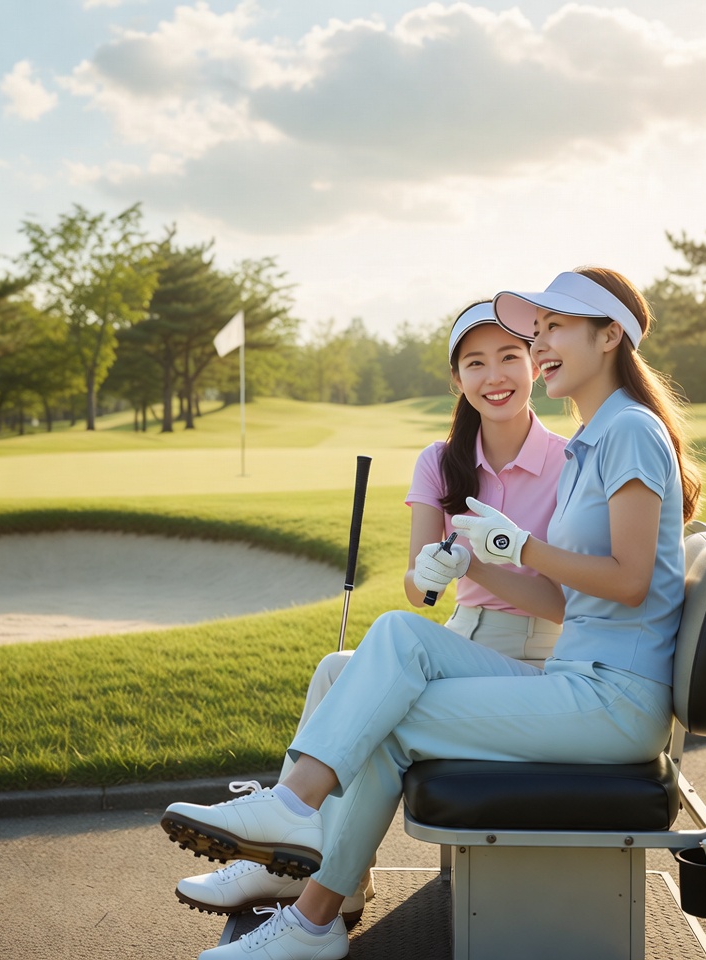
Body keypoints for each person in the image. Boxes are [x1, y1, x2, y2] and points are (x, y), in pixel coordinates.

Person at [162, 266, 702, 960]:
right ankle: (296, 831)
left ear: (609, 336)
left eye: (553, 329)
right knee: (397, 634)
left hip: (612, 699)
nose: (540, 346)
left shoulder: (626, 431)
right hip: (581, 677)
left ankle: (309, 899)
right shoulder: (604, 434)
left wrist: (523, 545)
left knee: (390, 722)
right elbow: (568, 600)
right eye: (537, 332)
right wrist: (485, 560)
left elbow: (630, 582)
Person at [172, 302, 568, 924]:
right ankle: (286, 856)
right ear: (457, 379)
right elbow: (417, 587)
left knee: (370, 678)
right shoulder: (441, 460)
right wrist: (431, 572)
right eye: (475, 362)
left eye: (510, 357)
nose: (495, 374)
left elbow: (568, 603)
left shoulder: (569, 461)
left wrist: (479, 566)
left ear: (535, 366)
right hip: (462, 638)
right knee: (335, 668)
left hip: (531, 655)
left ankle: (292, 839)